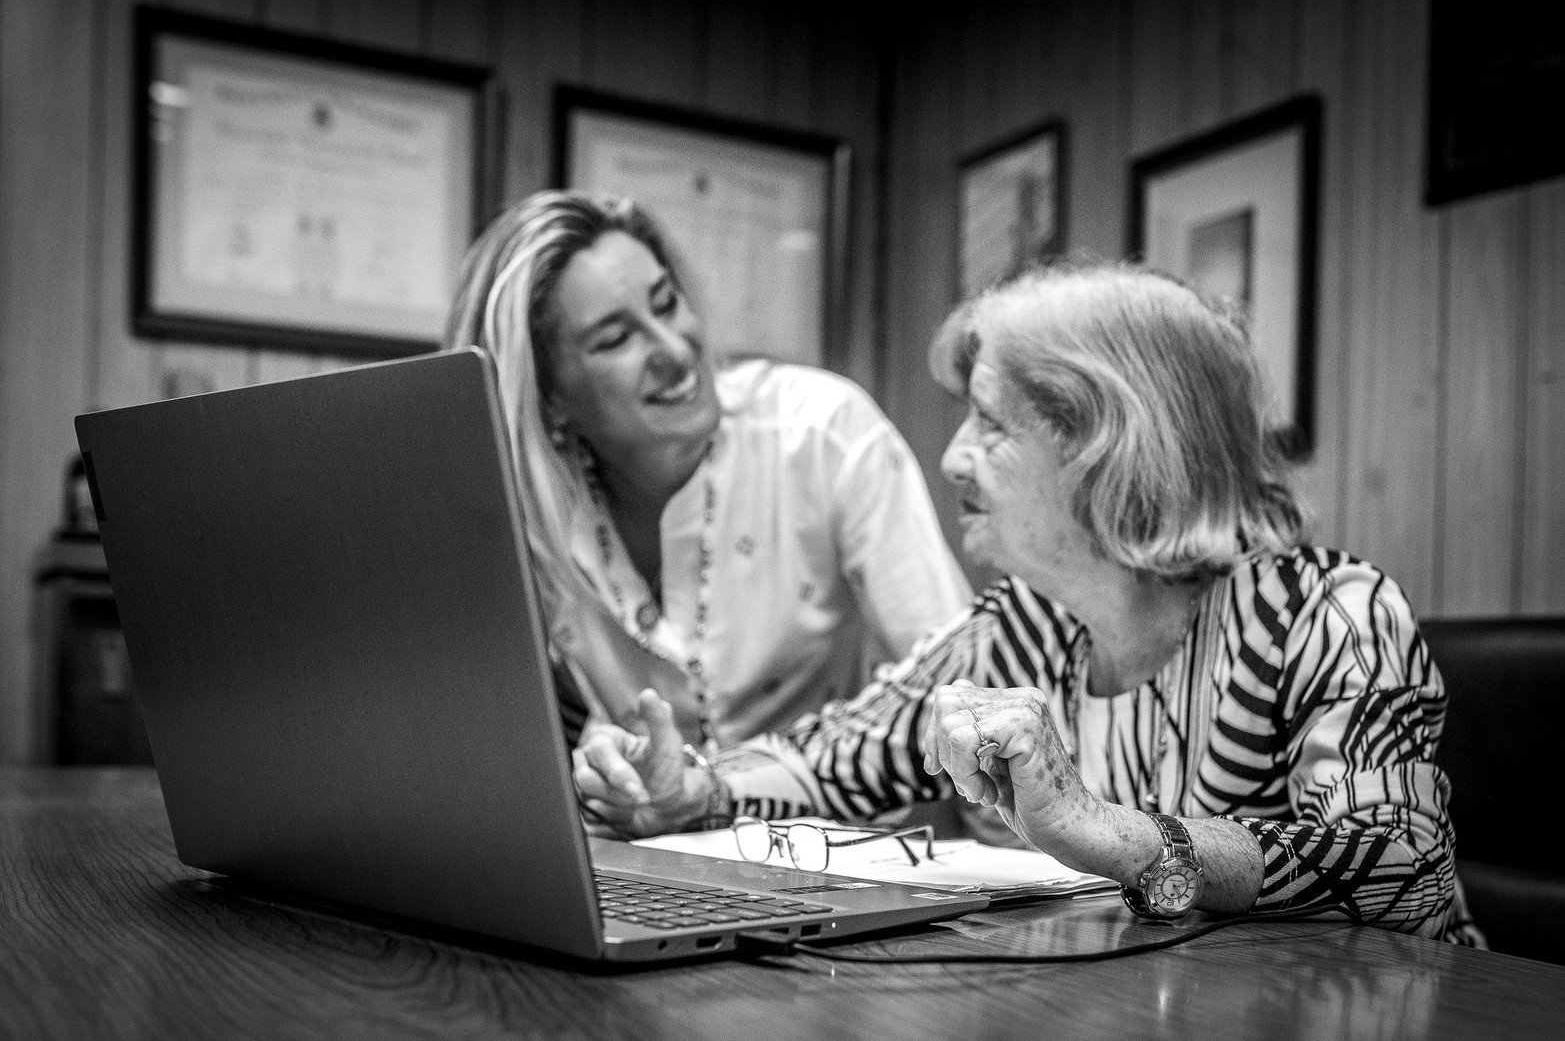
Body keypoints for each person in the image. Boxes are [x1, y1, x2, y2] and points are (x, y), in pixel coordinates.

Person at [573, 262, 1484, 944]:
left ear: (1109, 450)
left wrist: (1111, 833)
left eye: (990, 423)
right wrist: (689, 789)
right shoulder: (1018, 624)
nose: (952, 457)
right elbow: (833, 759)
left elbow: (1400, 865)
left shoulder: (1331, 613)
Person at [445, 190, 970, 754]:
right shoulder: (528, 509)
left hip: (829, 831)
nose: (675, 349)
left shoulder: (820, 432)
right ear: (548, 399)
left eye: (666, 302)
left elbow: (964, 693)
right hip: (635, 840)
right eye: (616, 339)